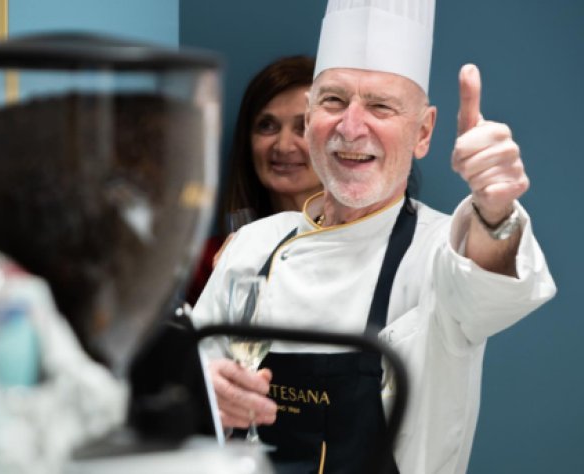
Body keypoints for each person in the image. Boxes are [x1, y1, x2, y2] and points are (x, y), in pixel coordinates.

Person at [191, 1, 557, 473]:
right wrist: (204, 393)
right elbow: (184, 389)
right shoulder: (251, 246)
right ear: (309, 117)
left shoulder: (441, 247)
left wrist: (495, 210)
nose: (350, 127)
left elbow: (492, 288)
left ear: (423, 132)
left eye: (381, 106)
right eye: (334, 101)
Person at [186, 55, 323, 305]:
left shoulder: (364, 254)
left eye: (303, 126)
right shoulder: (207, 261)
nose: (283, 146)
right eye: (267, 125)